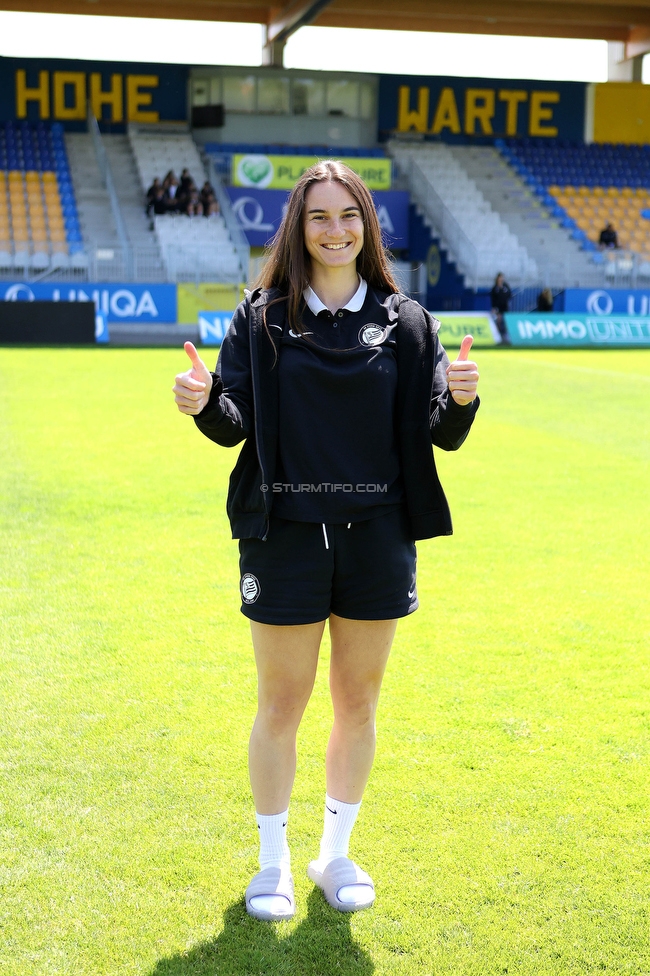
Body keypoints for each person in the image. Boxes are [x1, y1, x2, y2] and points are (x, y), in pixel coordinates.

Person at [172, 161, 480, 923]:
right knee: (282, 703)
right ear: (297, 228)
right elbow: (234, 424)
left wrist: (466, 400)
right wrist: (207, 402)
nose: (335, 229)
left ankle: (333, 854)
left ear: (367, 225)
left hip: (378, 536)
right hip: (285, 535)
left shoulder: (408, 321)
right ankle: (272, 864)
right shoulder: (262, 317)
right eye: (319, 217)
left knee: (358, 701)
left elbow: (441, 431)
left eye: (349, 215)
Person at [490, 272, 512, 343]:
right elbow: (493, 298)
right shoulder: (495, 288)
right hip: (498, 309)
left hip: (505, 308)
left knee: (505, 322)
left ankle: (505, 336)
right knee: (498, 322)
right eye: (500, 277)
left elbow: (509, 295)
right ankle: (499, 337)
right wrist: (494, 308)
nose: (501, 279)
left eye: (502, 277)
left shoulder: (505, 287)